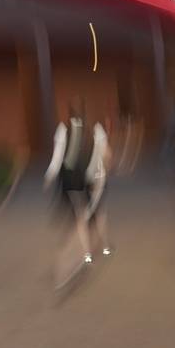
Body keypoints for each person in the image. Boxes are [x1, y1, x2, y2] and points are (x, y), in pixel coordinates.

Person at [44, 104, 112, 289]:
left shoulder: (62, 129)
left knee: (80, 216)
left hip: (70, 180)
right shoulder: (95, 129)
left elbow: (57, 157)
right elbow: (106, 154)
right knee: (95, 212)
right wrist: (103, 171)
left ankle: (87, 252)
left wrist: (49, 176)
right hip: (92, 178)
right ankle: (99, 245)